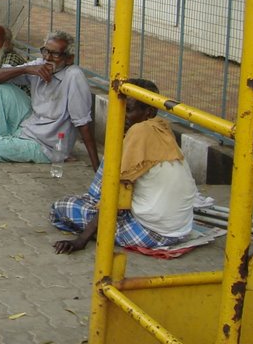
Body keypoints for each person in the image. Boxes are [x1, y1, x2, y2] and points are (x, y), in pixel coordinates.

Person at [51, 79, 197, 254]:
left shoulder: (138, 133)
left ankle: (97, 223)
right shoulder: (161, 126)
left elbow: (116, 199)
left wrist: (81, 240)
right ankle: (95, 207)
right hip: (181, 228)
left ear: (148, 112)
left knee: (61, 207)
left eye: (128, 110)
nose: (122, 116)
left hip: (154, 233)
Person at [0, 30, 99, 170]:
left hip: (47, 146)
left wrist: (97, 167)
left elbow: (84, 124)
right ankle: (3, 135)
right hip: (30, 126)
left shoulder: (74, 76)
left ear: (69, 59)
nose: (48, 58)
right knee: (0, 88)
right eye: (45, 51)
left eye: (55, 54)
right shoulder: (39, 64)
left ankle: (2, 138)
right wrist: (27, 69)